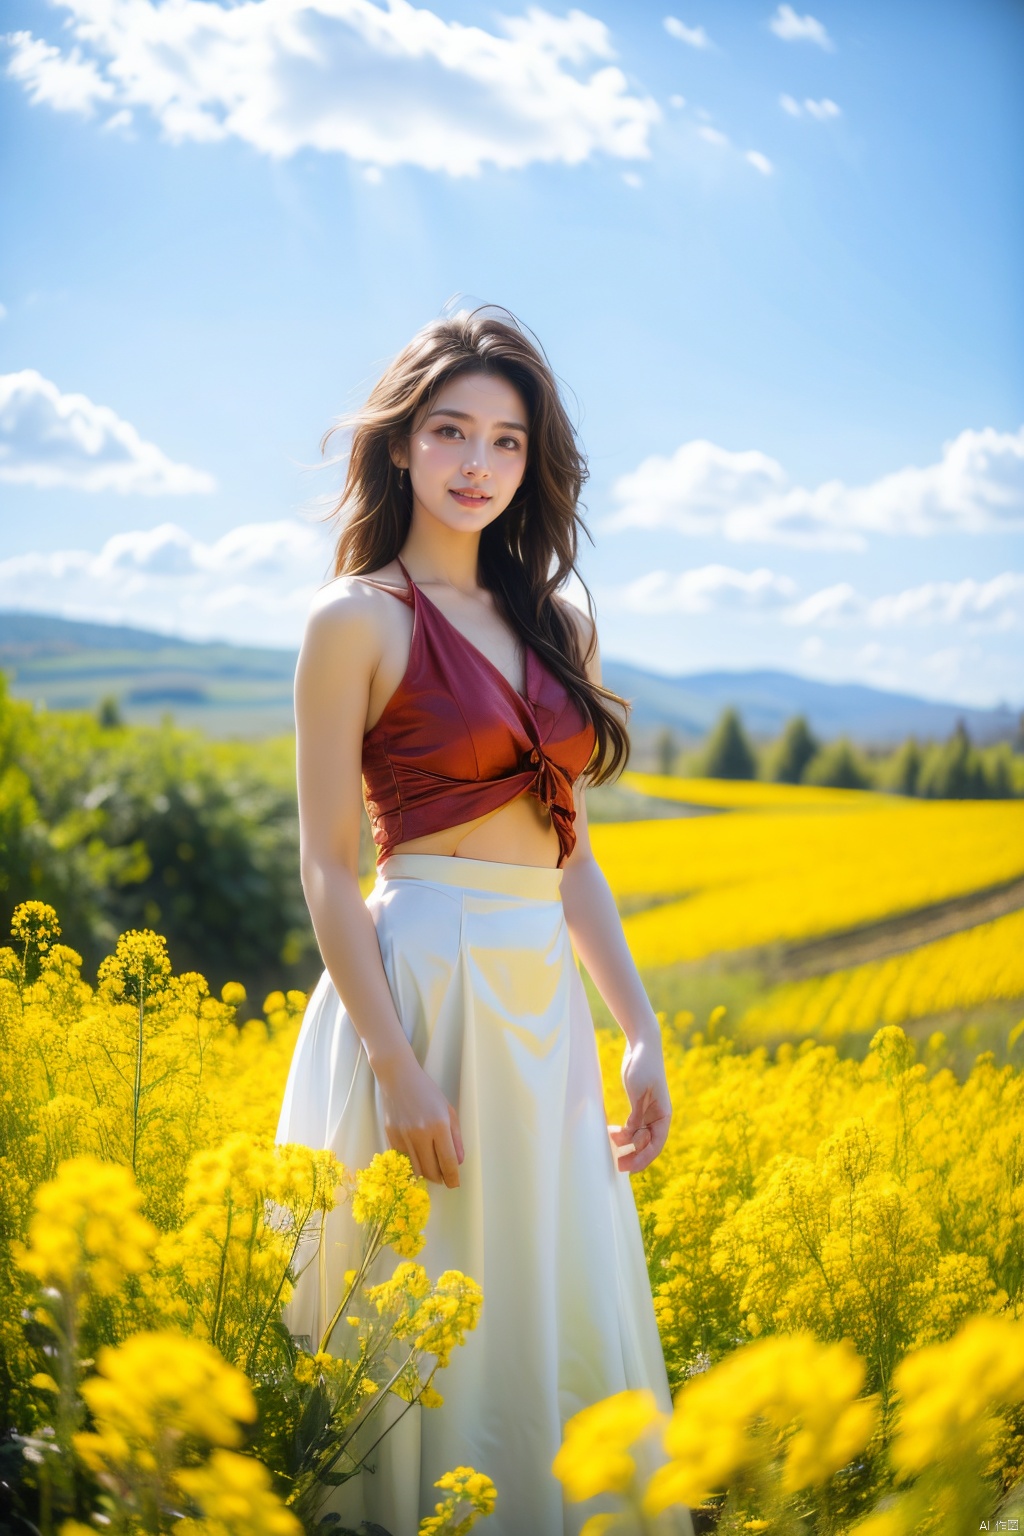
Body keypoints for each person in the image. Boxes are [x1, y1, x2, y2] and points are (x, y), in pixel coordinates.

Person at [274, 307, 694, 1536]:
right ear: (400, 445)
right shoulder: (353, 620)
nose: (476, 464)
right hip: (424, 982)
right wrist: (396, 1065)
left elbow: (569, 855)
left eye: (506, 442)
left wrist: (638, 1026)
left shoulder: (552, 626)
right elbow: (324, 869)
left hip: (538, 999)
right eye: (450, 431)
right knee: (429, 1291)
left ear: (532, 464)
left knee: (546, 1297)